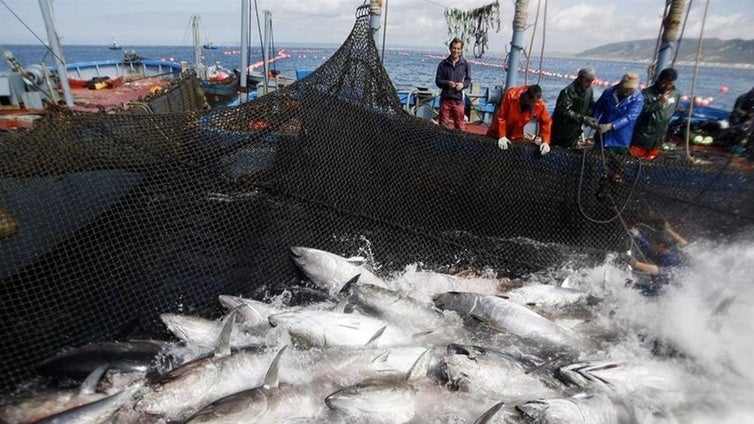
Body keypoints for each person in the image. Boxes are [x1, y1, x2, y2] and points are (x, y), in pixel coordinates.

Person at [592, 72, 644, 181]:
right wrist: (594, 119)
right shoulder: (608, 92)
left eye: (631, 89)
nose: (628, 91)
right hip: (602, 134)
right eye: (626, 88)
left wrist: (612, 126)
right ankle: (596, 181)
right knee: (597, 160)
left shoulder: (637, 98)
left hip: (621, 138)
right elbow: (598, 106)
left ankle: (616, 183)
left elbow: (630, 117)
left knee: (618, 165)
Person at [486, 84, 553, 155]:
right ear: (526, 97)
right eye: (532, 103)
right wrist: (502, 136)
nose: (534, 105)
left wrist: (545, 141)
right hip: (496, 133)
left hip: (516, 137)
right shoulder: (511, 95)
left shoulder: (538, 104)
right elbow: (502, 117)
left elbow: (546, 122)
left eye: (535, 103)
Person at [630, 68, 681, 160]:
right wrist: (658, 103)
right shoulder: (646, 93)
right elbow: (640, 111)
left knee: (652, 161)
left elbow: (673, 110)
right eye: (665, 83)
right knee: (634, 159)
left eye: (670, 83)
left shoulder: (676, 94)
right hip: (643, 135)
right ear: (660, 79)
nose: (667, 86)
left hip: (659, 137)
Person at [627, 221, 688, 295]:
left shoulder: (671, 258)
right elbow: (648, 249)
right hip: (660, 285)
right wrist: (638, 236)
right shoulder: (663, 253)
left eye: (655, 244)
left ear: (661, 246)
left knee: (634, 288)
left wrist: (635, 263)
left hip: (668, 291)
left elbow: (659, 271)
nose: (653, 244)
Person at [551, 67, 598, 149]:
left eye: (591, 81)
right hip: (561, 130)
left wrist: (591, 116)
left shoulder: (589, 90)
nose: (589, 84)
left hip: (576, 129)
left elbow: (590, 105)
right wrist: (583, 118)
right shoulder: (567, 91)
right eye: (587, 81)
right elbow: (564, 111)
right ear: (579, 79)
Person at [435, 37, 471, 130]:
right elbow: (438, 81)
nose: (456, 51)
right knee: (443, 127)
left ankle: (459, 143)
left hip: (458, 100)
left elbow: (468, 80)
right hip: (445, 100)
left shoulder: (465, 64)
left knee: (460, 126)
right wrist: (447, 83)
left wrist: (462, 85)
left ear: (461, 50)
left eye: (458, 49)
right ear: (450, 49)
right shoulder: (443, 64)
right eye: (454, 48)